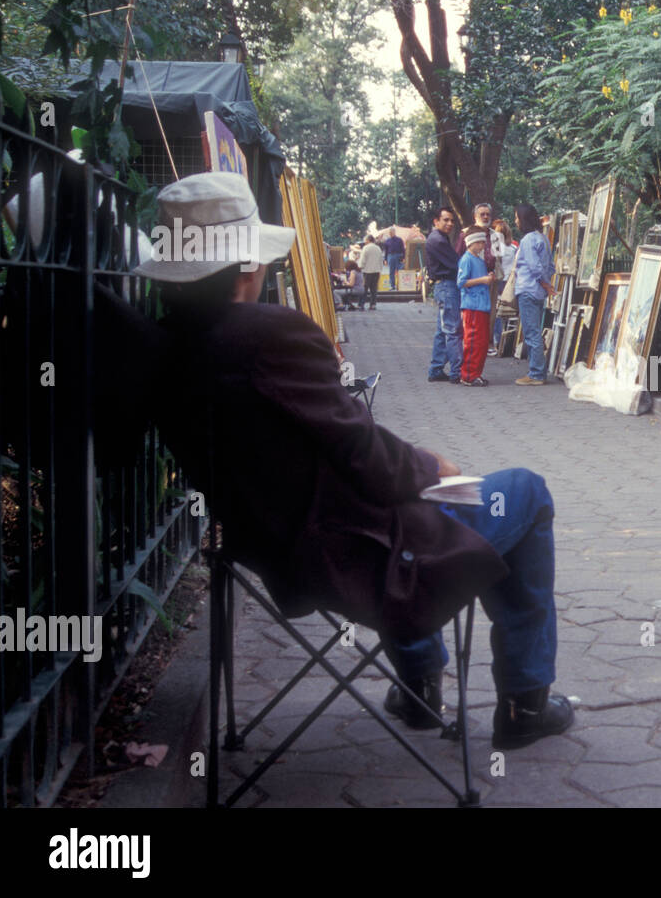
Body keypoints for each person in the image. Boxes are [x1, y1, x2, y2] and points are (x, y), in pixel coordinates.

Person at [133, 172, 574, 747]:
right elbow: (371, 460)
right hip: (358, 552)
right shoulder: (273, 337)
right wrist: (430, 464)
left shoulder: (165, 350)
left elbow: (342, 447)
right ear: (247, 267)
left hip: (271, 549)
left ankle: (420, 687)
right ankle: (524, 706)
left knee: (407, 501)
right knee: (526, 491)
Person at [512, 202, 555, 385]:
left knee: (531, 332)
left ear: (523, 219)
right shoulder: (543, 238)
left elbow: (534, 266)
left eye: (516, 217)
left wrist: (546, 285)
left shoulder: (528, 240)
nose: (515, 221)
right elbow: (550, 266)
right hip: (537, 292)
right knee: (534, 331)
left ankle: (536, 374)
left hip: (528, 290)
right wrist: (547, 285)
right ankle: (537, 371)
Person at [425, 206, 463, 383]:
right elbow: (456, 264)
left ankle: (436, 370)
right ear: (436, 221)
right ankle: (457, 372)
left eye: (452, 220)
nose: (449, 223)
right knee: (452, 330)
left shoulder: (439, 238)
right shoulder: (437, 240)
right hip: (447, 287)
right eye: (445, 220)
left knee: (442, 331)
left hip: (443, 287)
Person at [457, 226, 493, 387]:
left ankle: (475, 373)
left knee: (482, 342)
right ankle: (468, 375)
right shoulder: (466, 259)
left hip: (481, 305)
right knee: (473, 341)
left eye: (483, 242)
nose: (482, 245)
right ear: (470, 243)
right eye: (479, 242)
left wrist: (487, 278)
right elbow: (461, 282)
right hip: (473, 306)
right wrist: (483, 280)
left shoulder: (477, 259)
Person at [490, 219, 518, 353]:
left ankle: (497, 342)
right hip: (510, 282)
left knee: (496, 314)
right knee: (508, 314)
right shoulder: (513, 248)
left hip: (499, 281)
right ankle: (509, 341)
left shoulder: (495, 247)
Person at [359, 234, 384, 310]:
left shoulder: (366, 248)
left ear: (368, 240)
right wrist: (380, 269)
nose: (364, 242)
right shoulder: (378, 248)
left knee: (364, 288)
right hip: (376, 271)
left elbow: (363, 260)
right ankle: (373, 304)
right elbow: (381, 260)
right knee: (374, 289)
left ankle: (361, 304)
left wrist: (360, 267)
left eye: (365, 240)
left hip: (367, 271)